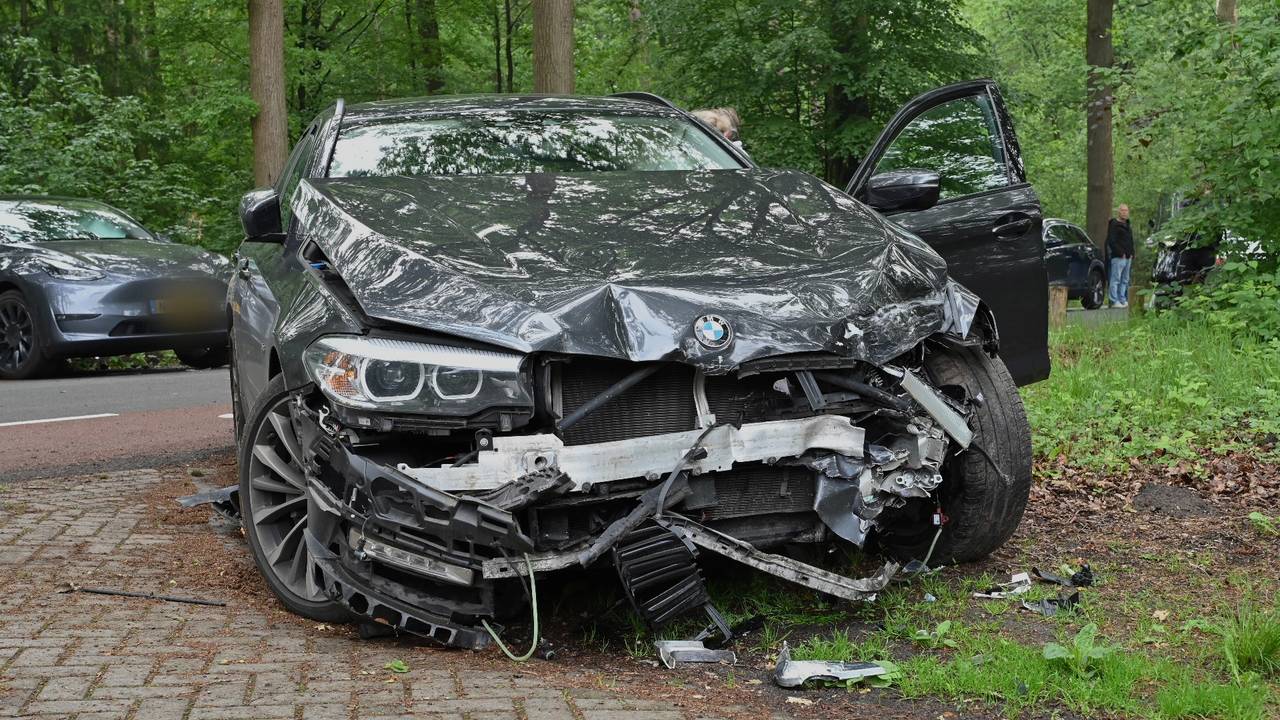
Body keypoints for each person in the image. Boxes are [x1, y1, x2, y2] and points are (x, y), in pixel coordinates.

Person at [1106, 204, 1135, 307]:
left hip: (1128, 257)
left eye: (1126, 210)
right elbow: (1111, 241)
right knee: (1115, 279)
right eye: (1122, 210)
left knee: (1125, 280)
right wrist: (1120, 252)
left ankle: (1122, 299)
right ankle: (1114, 300)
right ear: (1118, 212)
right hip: (1118, 257)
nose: (1124, 212)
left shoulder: (1127, 225)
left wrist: (1132, 253)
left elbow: (1130, 241)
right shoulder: (1114, 224)